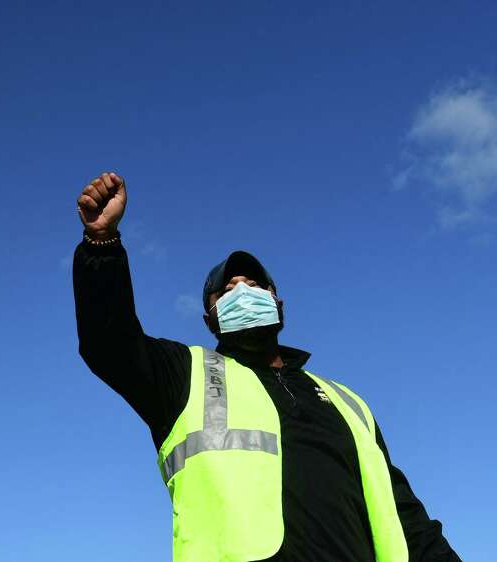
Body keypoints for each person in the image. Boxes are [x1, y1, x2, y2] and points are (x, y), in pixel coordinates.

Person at [73, 172, 460, 561]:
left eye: (256, 285)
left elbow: (408, 519)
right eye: (227, 290)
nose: (242, 291)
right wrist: (101, 244)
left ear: (279, 307)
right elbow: (108, 343)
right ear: (210, 318)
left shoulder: (349, 403)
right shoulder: (184, 374)